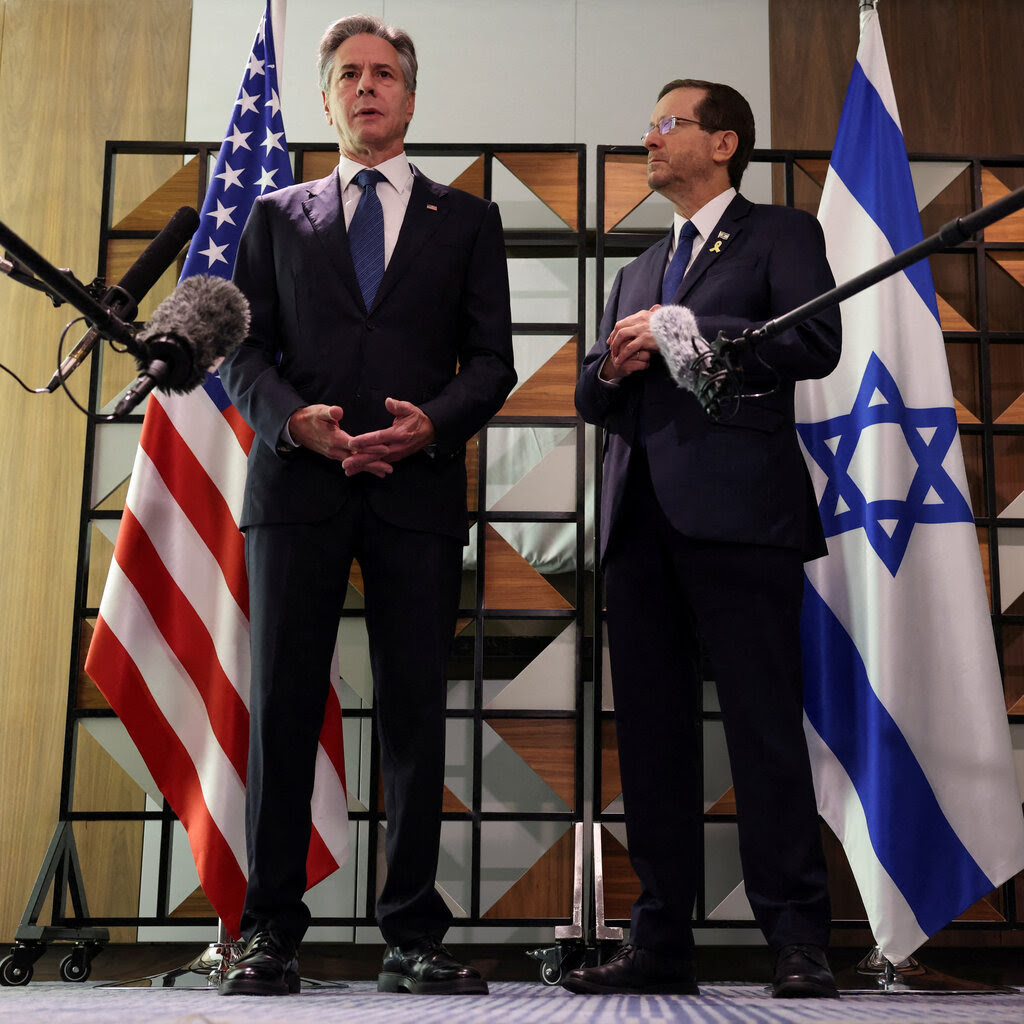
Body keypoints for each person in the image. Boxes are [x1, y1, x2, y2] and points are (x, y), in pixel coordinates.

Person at [218, 14, 515, 997]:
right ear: (327, 97)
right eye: (348, 73)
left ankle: (412, 934)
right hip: (296, 487)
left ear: (411, 97)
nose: (367, 86)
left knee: (414, 717)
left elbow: (493, 364)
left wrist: (428, 425)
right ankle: (267, 932)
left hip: (415, 489)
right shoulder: (274, 214)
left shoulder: (465, 218)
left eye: (384, 73)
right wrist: (287, 420)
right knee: (284, 709)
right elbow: (241, 349)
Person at [565, 80, 842, 999]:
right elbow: (589, 400)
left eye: (665, 124)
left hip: (741, 520)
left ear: (723, 143)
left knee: (764, 732)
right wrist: (613, 360)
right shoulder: (638, 267)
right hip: (639, 524)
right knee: (650, 741)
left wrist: (691, 328)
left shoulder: (780, 236)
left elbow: (815, 341)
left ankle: (799, 940)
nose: (647, 137)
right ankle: (659, 942)